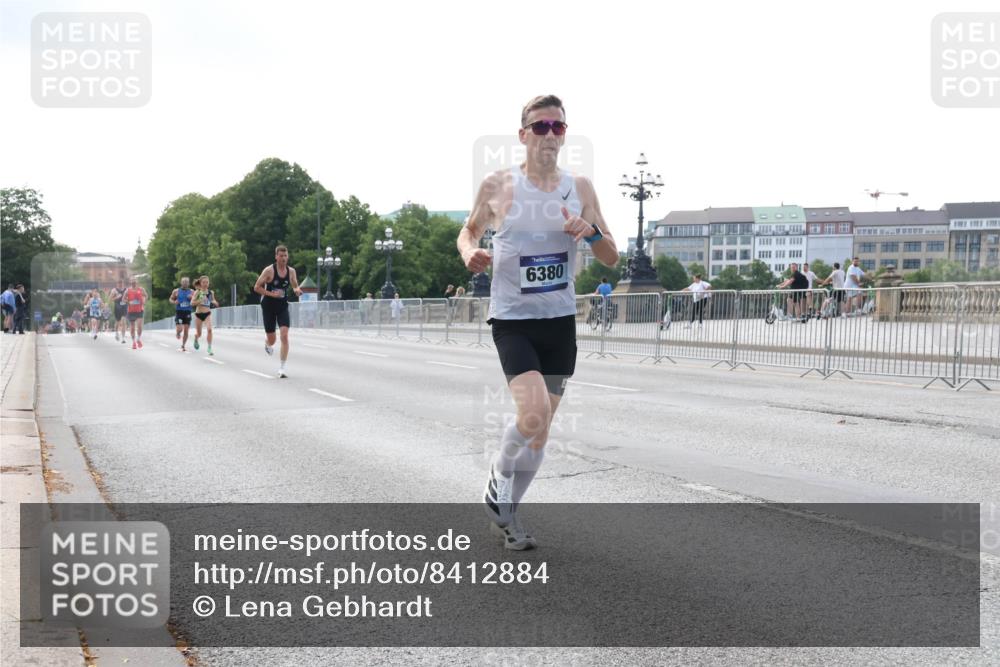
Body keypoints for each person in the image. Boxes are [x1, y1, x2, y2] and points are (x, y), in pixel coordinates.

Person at [457, 94, 618, 550]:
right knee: (533, 413)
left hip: (559, 320)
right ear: (523, 133)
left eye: (559, 127)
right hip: (513, 319)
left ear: (565, 134)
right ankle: (497, 480)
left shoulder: (581, 189)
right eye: (541, 126)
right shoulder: (498, 185)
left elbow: (611, 257)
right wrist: (471, 252)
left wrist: (590, 233)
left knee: (540, 430)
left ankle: (508, 518)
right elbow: (468, 229)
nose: (550, 134)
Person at [254, 245, 303, 378]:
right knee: (272, 339)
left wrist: (297, 290)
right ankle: (267, 343)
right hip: (268, 306)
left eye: (285, 256)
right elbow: (257, 287)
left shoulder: (291, 271)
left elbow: (294, 284)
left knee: (284, 335)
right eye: (281, 256)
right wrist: (271, 294)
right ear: (276, 256)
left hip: (282, 306)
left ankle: (282, 368)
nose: (283, 258)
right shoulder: (269, 271)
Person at [191, 276, 217, 355]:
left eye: (207, 282)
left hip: (207, 313)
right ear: (200, 283)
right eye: (204, 282)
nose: (205, 284)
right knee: (199, 334)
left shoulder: (211, 292)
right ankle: (196, 338)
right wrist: (200, 301)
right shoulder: (197, 292)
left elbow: (213, 300)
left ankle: (209, 348)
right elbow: (192, 303)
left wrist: (215, 302)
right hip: (199, 314)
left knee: (209, 329)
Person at [170, 277, 194, 351]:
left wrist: (192, 298)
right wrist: (174, 302)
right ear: (181, 283)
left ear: (188, 283)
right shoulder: (176, 291)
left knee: (186, 330)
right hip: (179, 312)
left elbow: (197, 300)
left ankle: (183, 345)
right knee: (180, 329)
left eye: (186, 282)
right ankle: (178, 333)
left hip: (188, 312)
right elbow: (170, 299)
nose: (185, 283)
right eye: (183, 282)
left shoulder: (192, 291)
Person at [124, 278, 147, 348]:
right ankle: (133, 342)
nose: (133, 284)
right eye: (132, 283)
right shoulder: (128, 290)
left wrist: (144, 300)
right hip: (131, 311)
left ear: (137, 283)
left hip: (140, 310)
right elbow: (123, 299)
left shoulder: (141, 289)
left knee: (139, 326)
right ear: (130, 283)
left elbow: (146, 295)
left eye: (134, 282)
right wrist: (128, 302)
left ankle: (138, 339)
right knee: (132, 327)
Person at [109, 279, 129, 343]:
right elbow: (110, 299)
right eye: (119, 283)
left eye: (122, 283)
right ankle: (116, 333)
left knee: (123, 321)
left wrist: (127, 300)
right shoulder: (114, 290)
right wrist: (117, 297)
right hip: (117, 308)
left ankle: (123, 338)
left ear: (123, 283)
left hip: (124, 307)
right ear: (117, 284)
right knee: (117, 322)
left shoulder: (126, 290)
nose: (120, 284)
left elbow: (129, 298)